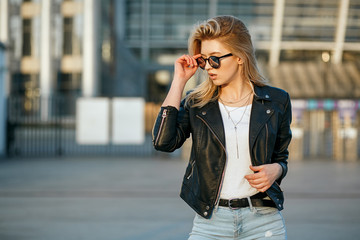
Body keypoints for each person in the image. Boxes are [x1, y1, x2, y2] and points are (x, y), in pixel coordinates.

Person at [152, 15, 292, 240]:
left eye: (215, 59)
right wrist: (179, 81)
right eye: (204, 60)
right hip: (211, 222)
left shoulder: (277, 101)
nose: (208, 67)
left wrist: (277, 170)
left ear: (239, 56)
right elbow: (163, 142)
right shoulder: (197, 104)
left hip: (263, 220)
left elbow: (281, 157)